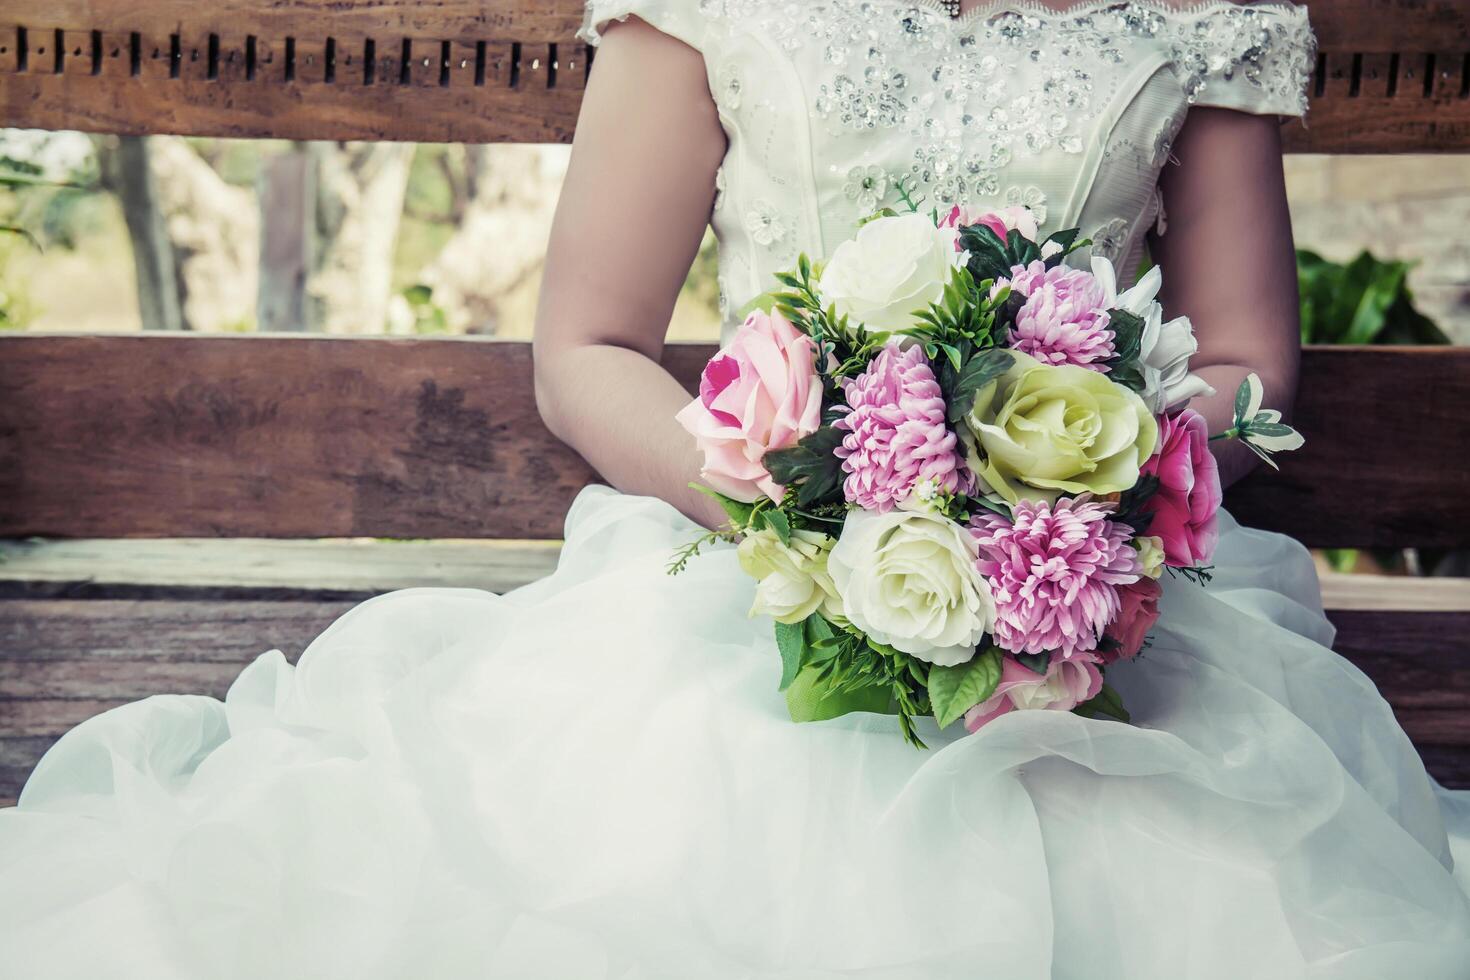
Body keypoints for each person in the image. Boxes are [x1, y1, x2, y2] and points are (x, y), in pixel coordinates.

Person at [2, 2, 1468, 977]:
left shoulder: (1197, 14)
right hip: (742, 560)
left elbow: (1240, 356)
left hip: (1081, 590)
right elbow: (586, 346)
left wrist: (1059, 496)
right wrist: (810, 508)